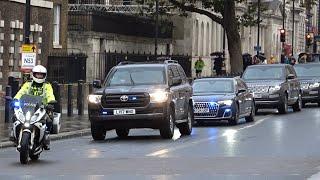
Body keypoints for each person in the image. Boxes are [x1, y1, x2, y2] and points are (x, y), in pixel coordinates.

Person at [13, 65, 56, 150]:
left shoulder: (47, 85)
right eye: (37, 74)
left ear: (44, 75)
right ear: (34, 74)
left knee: (49, 119)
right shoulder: (28, 84)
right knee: (15, 117)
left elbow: (49, 94)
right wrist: (16, 98)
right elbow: (21, 92)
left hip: (41, 107)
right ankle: (14, 136)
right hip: (27, 106)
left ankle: (46, 137)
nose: (39, 76)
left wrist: (51, 102)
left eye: (41, 74)